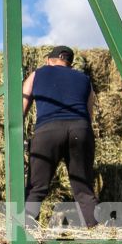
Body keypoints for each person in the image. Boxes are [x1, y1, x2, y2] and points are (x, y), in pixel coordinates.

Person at [21, 46, 99, 231]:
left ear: (49, 60)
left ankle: (26, 230)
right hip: (80, 130)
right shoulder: (84, 79)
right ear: (69, 63)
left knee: (36, 187)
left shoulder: (37, 74)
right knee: (83, 187)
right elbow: (89, 113)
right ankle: (95, 230)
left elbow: (20, 107)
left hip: (48, 131)